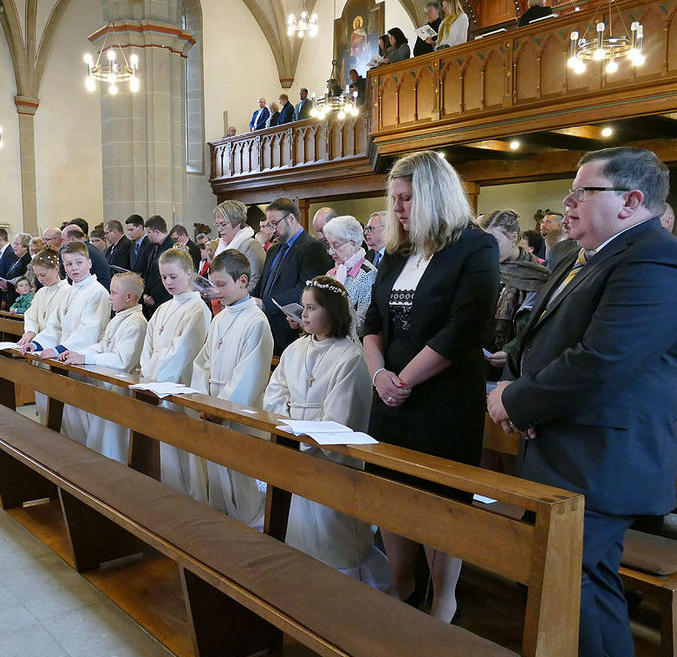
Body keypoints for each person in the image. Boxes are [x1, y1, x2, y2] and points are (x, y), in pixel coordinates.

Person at [487, 146, 677, 657]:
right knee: (567, 584)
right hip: (562, 446)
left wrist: (518, 401)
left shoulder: (654, 260)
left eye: (582, 192)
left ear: (631, 201)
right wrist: (513, 382)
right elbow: (537, 336)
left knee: (580, 585)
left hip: (602, 459)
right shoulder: (582, 255)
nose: (567, 203)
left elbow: (604, 362)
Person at [362, 150, 499, 623]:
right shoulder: (397, 251)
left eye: (406, 198)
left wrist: (402, 379)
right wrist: (380, 375)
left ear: (436, 195)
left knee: (443, 501)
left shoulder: (474, 247)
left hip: (443, 396)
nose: (397, 208)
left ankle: (443, 598)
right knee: (391, 492)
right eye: (394, 198)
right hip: (391, 396)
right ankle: (402, 586)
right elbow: (374, 320)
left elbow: (464, 329)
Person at [264, 276, 387, 585]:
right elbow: (275, 393)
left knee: (332, 534)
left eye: (311, 308)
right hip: (294, 445)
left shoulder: (350, 357)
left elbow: (342, 417)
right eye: (302, 308)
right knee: (298, 526)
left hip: (330, 457)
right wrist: (287, 430)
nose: (303, 315)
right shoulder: (294, 350)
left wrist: (301, 441)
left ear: (332, 311)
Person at [191, 250, 274, 528]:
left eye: (222, 285)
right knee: (216, 479)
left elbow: (249, 377)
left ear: (243, 281)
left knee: (242, 486)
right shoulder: (220, 318)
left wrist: (220, 408)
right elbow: (203, 362)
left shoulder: (256, 321)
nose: (216, 291)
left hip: (240, 415)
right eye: (213, 284)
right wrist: (203, 400)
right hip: (213, 408)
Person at [139, 248, 211, 501]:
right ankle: (169, 494)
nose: (168, 283)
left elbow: (182, 351)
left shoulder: (198, 309)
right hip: (156, 382)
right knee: (165, 446)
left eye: (173, 276)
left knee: (185, 447)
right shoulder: (162, 308)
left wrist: (155, 378)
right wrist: (147, 375)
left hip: (179, 384)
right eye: (163, 277)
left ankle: (192, 498)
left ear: (189, 274)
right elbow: (148, 345)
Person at [59, 272, 149, 463]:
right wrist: (79, 354)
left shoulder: (137, 323)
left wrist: (86, 358)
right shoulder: (119, 317)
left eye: (113, 292)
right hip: (108, 387)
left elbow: (122, 361)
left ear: (128, 297)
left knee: (112, 442)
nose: (109, 296)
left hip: (121, 389)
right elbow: (103, 345)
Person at [253, 198, 334, 355]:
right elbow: (264, 284)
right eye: (269, 224)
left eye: (274, 223)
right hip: (265, 327)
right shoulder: (274, 249)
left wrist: (265, 304)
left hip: (289, 329)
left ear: (290, 218)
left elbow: (304, 289)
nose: (271, 229)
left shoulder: (312, 247)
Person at [479, 210, 549, 371]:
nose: (488, 248)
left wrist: (513, 351)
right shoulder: (481, 271)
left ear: (514, 237)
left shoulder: (537, 276)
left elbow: (542, 325)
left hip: (520, 364)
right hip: (481, 359)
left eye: (495, 241)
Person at [28, 242, 111, 356]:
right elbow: (55, 326)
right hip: (65, 352)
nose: (74, 268)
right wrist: (36, 344)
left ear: (89, 263)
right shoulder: (69, 291)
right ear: (64, 268)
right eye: (69, 264)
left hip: (84, 354)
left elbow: (89, 332)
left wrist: (59, 350)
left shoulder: (97, 292)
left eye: (79, 262)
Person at [324, 215, 377, 342]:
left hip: (353, 345)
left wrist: (328, 324)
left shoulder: (368, 274)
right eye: (329, 245)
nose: (331, 252)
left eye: (336, 246)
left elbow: (364, 324)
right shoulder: (331, 273)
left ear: (353, 244)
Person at [17, 251, 69, 352]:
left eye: (43, 275)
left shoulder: (67, 291)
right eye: (37, 275)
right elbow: (31, 315)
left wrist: (39, 342)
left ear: (56, 269)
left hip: (54, 346)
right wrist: (30, 331)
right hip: (36, 344)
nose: (40, 279)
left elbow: (60, 326)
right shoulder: (41, 292)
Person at [213, 200, 266, 292]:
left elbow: (254, 282)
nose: (219, 230)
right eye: (217, 225)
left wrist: (229, 296)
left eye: (223, 224)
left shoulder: (251, 245)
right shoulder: (221, 246)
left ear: (237, 223)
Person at [139, 215, 176, 316]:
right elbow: (148, 271)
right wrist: (145, 294)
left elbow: (166, 276)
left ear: (157, 232)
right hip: (150, 300)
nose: (147, 236)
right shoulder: (152, 247)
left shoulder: (172, 248)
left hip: (163, 298)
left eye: (149, 233)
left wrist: (154, 298)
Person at [59, 224, 112, 290]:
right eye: (69, 264)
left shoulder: (85, 252)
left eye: (63, 240)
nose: (62, 244)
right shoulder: (88, 248)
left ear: (72, 239)